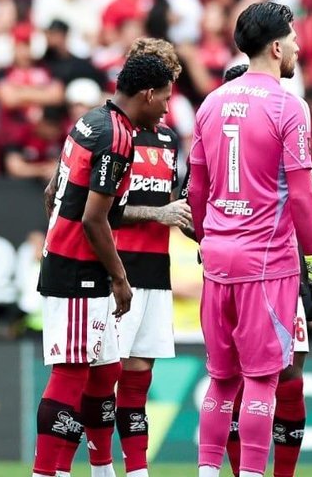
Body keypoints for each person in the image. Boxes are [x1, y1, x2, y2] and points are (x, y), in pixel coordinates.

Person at [187, 2, 312, 477]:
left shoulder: (210, 103)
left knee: (221, 382)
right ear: (274, 46)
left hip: (218, 259)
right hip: (267, 261)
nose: (296, 46)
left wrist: (210, 240)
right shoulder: (289, 106)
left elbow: (197, 190)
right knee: (263, 381)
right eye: (291, 38)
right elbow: (304, 197)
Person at [31, 49, 175, 477]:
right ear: (147, 94)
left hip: (69, 259)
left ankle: (101, 469)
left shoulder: (89, 121)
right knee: (71, 374)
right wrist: (119, 277)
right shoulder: (116, 137)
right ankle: (46, 472)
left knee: (108, 367)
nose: (168, 107)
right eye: (165, 98)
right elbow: (95, 218)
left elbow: (51, 192)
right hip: (78, 270)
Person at [111, 38, 193, 477]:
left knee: (140, 374)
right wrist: (159, 212)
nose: (165, 99)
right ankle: (101, 465)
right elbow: (94, 207)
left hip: (155, 268)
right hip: (118, 266)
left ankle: (137, 470)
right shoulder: (111, 132)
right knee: (107, 374)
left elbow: (169, 201)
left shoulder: (166, 137)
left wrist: (190, 223)